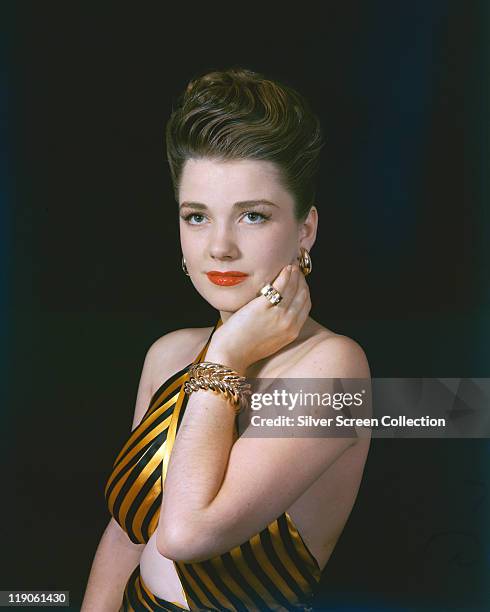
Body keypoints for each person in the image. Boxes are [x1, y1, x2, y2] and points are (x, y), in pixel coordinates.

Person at [81, 67, 371, 612]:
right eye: (197, 216)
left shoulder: (334, 368)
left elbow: (187, 535)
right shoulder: (169, 353)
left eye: (253, 216)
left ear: (305, 229)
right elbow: (128, 532)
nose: (219, 247)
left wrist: (227, 356)